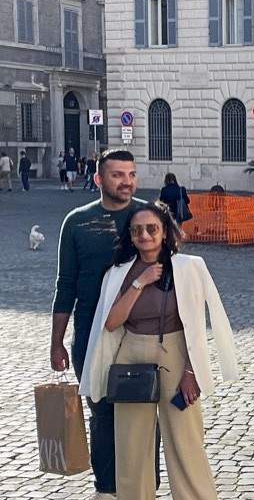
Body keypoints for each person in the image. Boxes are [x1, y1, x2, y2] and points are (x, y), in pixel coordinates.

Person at [79, 201, 238, 500]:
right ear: (130, 235)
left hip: (176, 356)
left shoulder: (189, 267)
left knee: (186, 443)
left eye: (152, 228)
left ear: (165, 232)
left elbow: (195, 325)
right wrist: (140, 282)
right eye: (137, 230)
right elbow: (111, 323)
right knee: (131, 447)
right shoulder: (119, 273)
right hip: (131, 356)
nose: (145, 235)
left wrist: (191, 371)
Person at [50, 149, 153, 499]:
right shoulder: (77, 222)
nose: (126, 181)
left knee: (142, 410)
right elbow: (65, 285)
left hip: (140, 333)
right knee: (102, 412)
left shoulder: (146, 216)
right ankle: (106, 489)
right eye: (117, 175)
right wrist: (56, 341)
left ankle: (142, 487)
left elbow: (169, 270)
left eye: (131, 174)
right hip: (90, 335)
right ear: (98, 179)